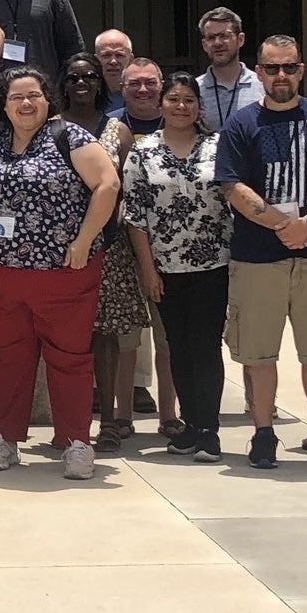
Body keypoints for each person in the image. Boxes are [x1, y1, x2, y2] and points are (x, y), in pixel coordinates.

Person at [0, 65, 118, 481]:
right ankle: (7, 438)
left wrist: (84, 241)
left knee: (69, 359)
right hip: (5, 274)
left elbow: (107, 184)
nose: (26, 104)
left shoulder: (70, 137)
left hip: (64, 272)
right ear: (4, 104)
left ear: (48, 99)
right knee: (12, 357)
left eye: (34, 95)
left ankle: (76, 443)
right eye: (16, 97)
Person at [214, 35, 307, 471]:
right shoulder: (241, 124)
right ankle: (262, 434)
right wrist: (281, 224)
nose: (281, 76)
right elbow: (232, 186)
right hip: (257, 258)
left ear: (302, 70)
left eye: (289, 68)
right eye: (272, 68)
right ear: (259, 72)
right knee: (259, 354)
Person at [124, 73, 232, 460]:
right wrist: (147, 269)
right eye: (174, 99)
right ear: (161, 104)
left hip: (213, 265)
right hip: (166, 267)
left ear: (198, 106)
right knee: (177, 348)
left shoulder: (219, 147)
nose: (181, 106)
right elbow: (134, 216)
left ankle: (209, 429)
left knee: (205, 346)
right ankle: (190, 425)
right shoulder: (143, 151)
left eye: (189, 99)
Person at [72, 53, 147, 455]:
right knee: (68, 338)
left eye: (89, 76)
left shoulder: (118, 131)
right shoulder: (51, 129)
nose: (82, 82)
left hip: (109, 246)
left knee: (105, 335)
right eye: (74, 77)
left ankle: (109, 422)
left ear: (101, 83)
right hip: (60, 247)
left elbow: (130, 190)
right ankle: (73, 421)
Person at [116, 56, 176, 428]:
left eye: (150, 82)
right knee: (126, 340)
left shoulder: (180, 123)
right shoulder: (112, 127)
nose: (142, 89)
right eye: (134, 83)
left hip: (173, 249)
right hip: (123, 247)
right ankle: (122, 416)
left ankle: (169, 416)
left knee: (168, 339)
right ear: (121, 88)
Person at [195, 6, 263, 131]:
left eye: (224, 36)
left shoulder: (261, 86)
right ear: (204, 45)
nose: (217, 43)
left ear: (240, 39)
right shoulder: (195, 90)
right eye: (211, 37)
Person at [93, 28, 134, 117]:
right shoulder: (88, 94)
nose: (113, 61)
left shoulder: (142, 93)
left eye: (119, 55)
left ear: (130, 59)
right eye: (106, 55)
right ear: (96, 60)